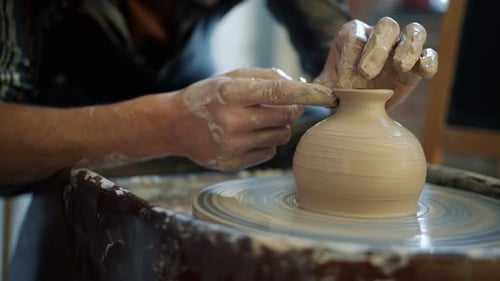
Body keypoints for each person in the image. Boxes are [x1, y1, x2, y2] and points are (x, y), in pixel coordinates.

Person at [0, 0, 437, 191]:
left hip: (192, 172)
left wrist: (358, 80)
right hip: (53, 175)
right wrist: (166, 123)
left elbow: (334, 44)